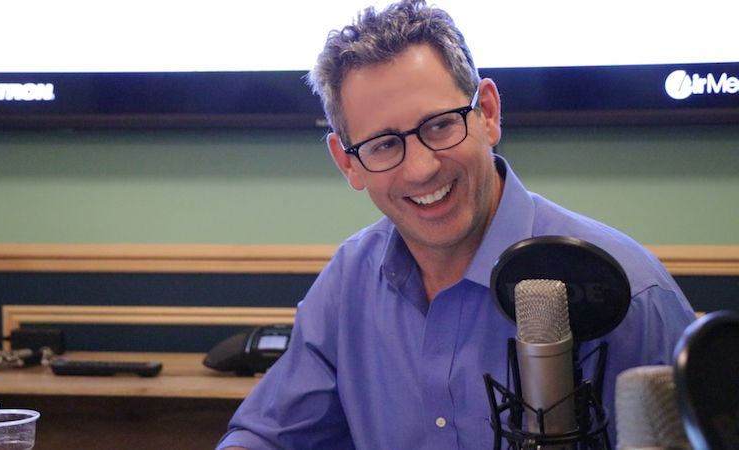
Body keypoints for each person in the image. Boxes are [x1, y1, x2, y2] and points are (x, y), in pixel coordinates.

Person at [216, 1, 696, 448]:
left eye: (440, 125)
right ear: (348, 164)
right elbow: (268, 435)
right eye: (384, 144)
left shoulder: (630, 297)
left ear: (487, 113)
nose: (422, 168)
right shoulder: (349, 282)